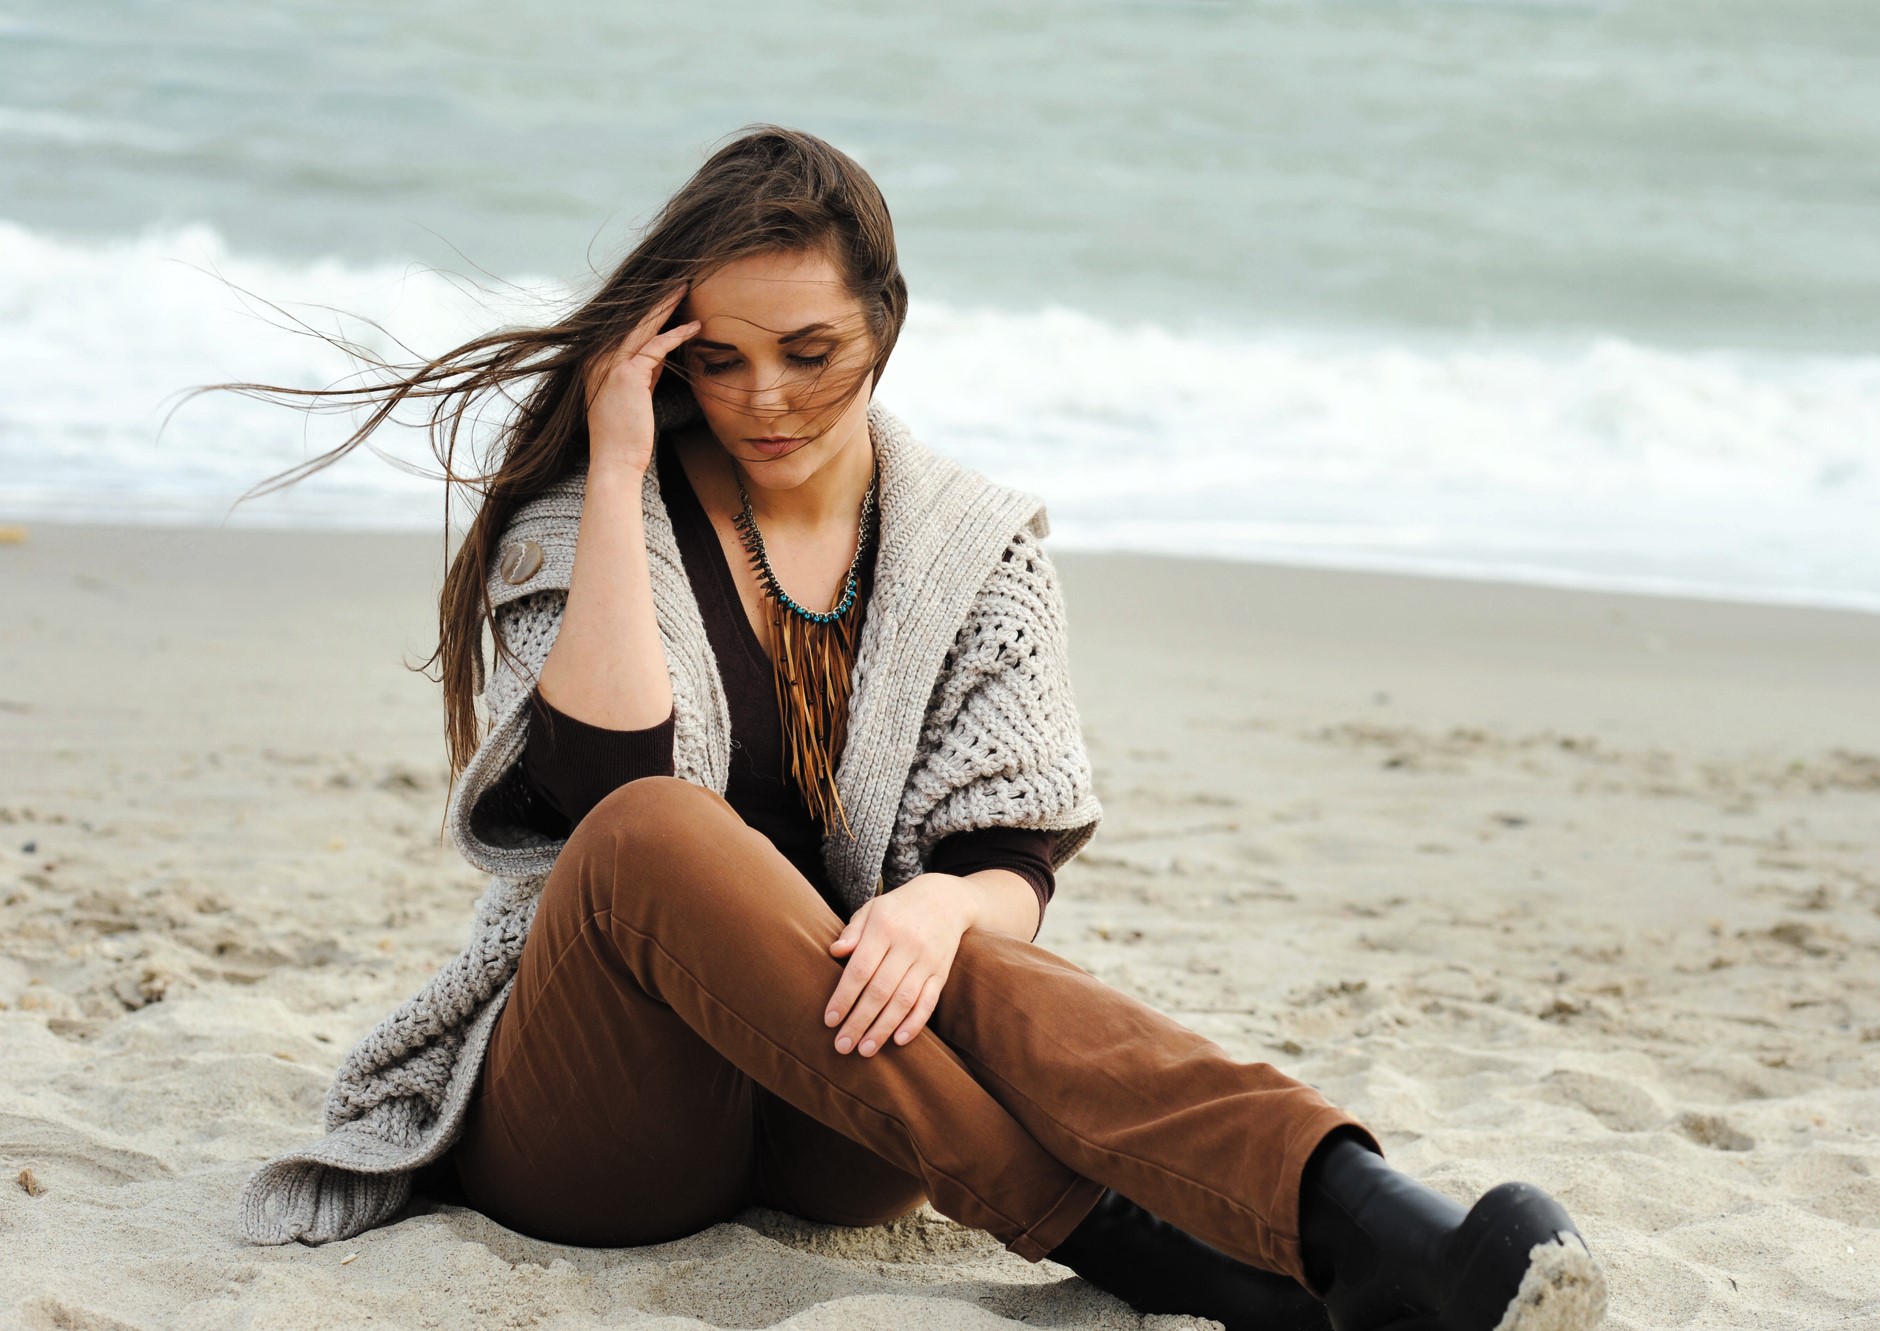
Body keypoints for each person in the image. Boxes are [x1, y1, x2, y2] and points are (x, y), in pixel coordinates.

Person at [226, 125, 1608, 1331]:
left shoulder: (977, 551)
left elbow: (1016, 858)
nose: (766, 397)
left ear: (887, 324)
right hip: (603, 1131)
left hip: (849, 1118)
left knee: (951, 943)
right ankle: (1123, 1236)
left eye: (811, 351)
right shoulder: (588, 526)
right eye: (718, 361)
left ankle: (1367, 1222)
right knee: (658, 829)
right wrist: (619, 468)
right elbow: (605, 792)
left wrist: (945, 912)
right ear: (665, 364)